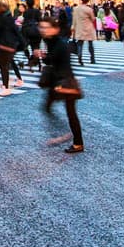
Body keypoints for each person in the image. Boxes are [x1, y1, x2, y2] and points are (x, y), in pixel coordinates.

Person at [38, 15, 84, 154]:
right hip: (61, 81)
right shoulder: (51, 41)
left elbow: (55, 61)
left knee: (60, 111)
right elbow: (50, 61)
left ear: (55, 29)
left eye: (47, 28)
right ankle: (76, 142)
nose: (43, 30)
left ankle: (68, 136)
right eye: (42, 27)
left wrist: (43, 56)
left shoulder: (59, 44)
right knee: (67, 113)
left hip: (64, 82)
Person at [0, 0, 24, 96]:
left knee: (4, 66)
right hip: (9, 46)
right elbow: (16, 31)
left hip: (3, 46)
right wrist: (22, 43)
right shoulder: (7, 17)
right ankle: (15, 81)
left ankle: (6, 87)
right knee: (7, 64)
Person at [71, 0, 97, 65]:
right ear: (87, 1)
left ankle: (80, 58)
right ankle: (92, 59)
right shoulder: (89, 9)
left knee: (80, 44)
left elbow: (74, 19)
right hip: (88, 28)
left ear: (81, 0)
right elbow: (93, 19)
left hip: (79, 28)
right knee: (90, 44)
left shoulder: (75, 9)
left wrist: (73, 27)